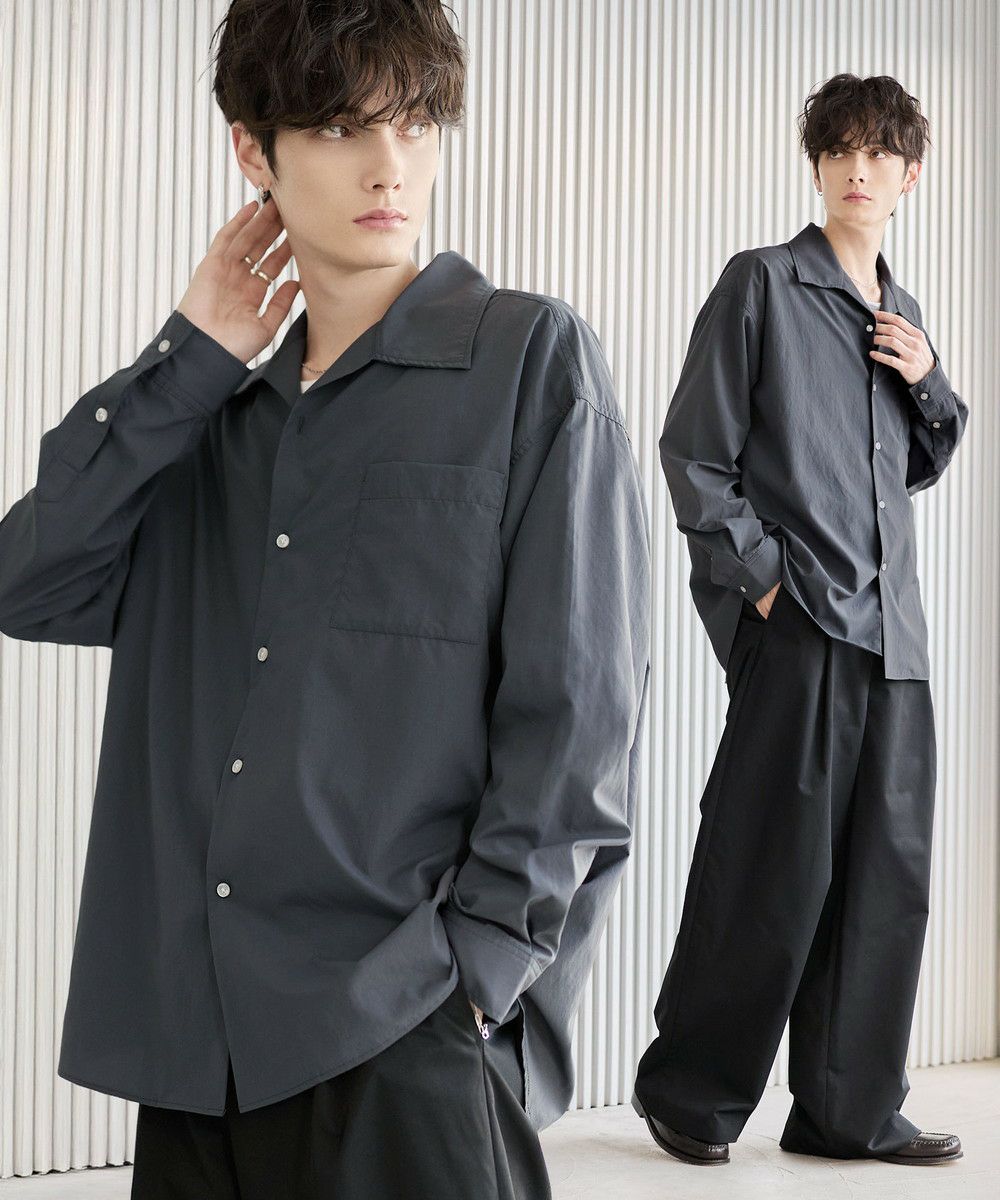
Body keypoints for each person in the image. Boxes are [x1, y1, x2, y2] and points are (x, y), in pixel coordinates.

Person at [0, 2, 651, 1196]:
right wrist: (191, 356)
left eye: (415, 123)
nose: (389, 166)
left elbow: (581, 710)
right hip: (199, 1048)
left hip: (400, 1030)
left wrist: (478, 977)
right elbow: (28, 582)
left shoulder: (526, 362)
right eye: (342, 128)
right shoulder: (206, 427)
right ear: (253, 151)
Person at [631, 73, 968, 1168]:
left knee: (886, 883)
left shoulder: (902, 319)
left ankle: (847, 1111)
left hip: (896, 639)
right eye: (840, 150)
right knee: (766, 867)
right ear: (817, 164)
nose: (858, 169)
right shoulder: (762, 286)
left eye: (879, 153)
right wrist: (768, 587)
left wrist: (930, 381)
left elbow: (915, 464)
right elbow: (695, 456)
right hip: (806, 626)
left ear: (910, 174)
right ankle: (690, 1096)